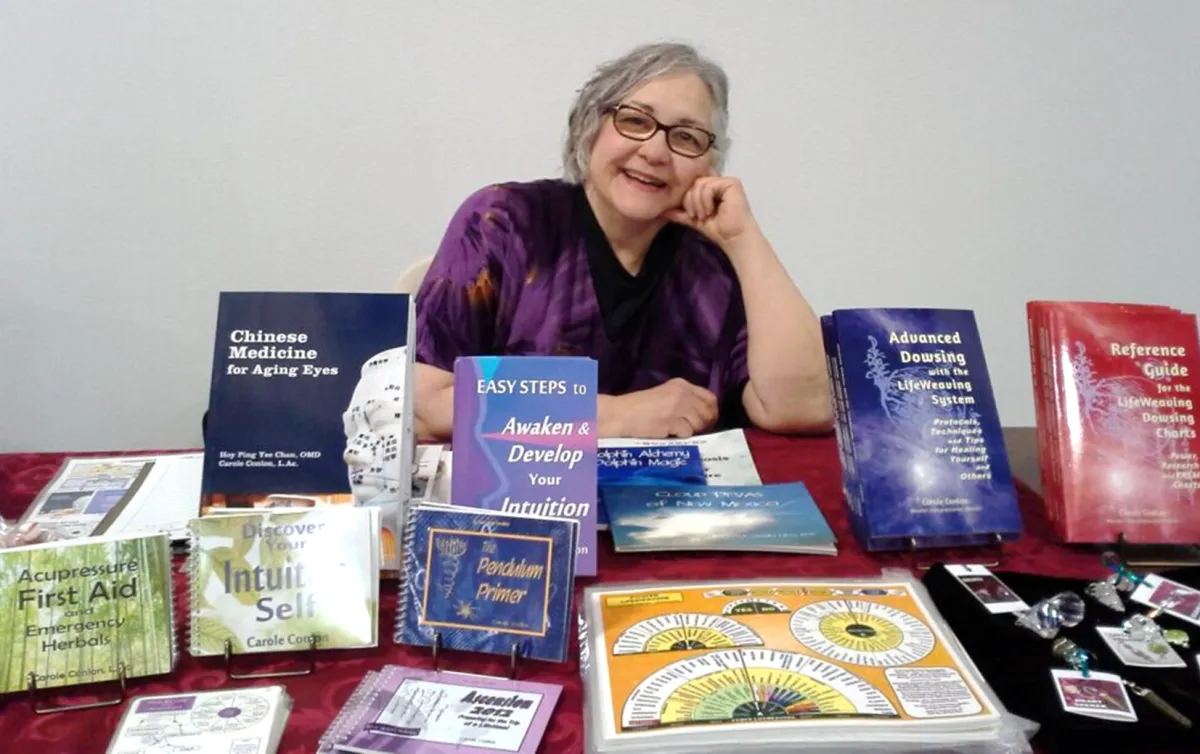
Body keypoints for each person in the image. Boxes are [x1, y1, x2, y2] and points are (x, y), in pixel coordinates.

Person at [413, 41, 832, 441]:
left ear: (709, 163)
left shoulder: (713, 265)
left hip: (668, 510)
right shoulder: (504, 221)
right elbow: (425, 402)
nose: (655, 151)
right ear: (589, 127)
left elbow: (806, 408)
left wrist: (744, 239)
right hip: (522, 503)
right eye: (634, 120)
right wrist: (620, 415)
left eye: (686, 136)